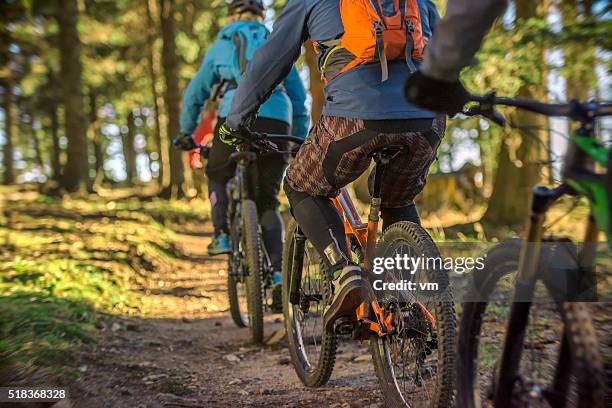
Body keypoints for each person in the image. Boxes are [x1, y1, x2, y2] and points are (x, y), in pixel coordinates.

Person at [219, 0, 444, 331]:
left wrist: (237, 119)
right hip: (426, 120)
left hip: (353, 119)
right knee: (399, 201)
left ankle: (343, 272)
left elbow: (270, 61)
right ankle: (406, 301)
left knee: (300, 186)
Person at [174, 0, 308, 305]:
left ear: (232, 16)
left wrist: (186, 133)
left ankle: (221, 233)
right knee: (268, 200)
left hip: (234, 115)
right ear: (261, 17)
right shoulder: (276, 41)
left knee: (217, 171)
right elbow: (299, 100)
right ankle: (277, 274)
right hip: (278, 118)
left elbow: (195, 94)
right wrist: (297, 139)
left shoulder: (221, 45)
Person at [405, 0, 509, 114]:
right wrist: (439, 73)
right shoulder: (424, 4)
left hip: (405, 100)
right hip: (426, 107)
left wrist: (437, 72)